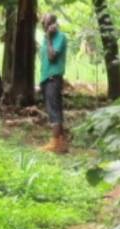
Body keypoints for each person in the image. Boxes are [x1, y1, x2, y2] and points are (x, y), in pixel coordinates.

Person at [38, 14, 68, 153]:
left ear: (55, 24)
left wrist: (49, 38)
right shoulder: (45, 39)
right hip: (46, 79)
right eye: (44, 23)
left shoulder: (60, 37)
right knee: (54, 110)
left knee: (54, 111)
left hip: (53, 78)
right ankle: (61, 143)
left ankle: (55, 142)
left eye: (50, 23)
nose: (47, 26)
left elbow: (51, 57)